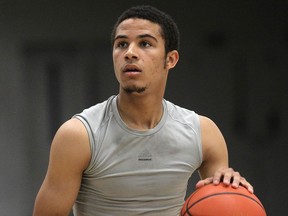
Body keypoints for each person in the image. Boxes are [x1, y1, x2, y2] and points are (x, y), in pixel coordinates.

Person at [33, 5, 253, 216]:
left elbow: (222, 203)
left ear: (171, 59)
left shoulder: (203, 133)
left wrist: (229, 184)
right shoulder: (78, 135)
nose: (130, 53)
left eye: (145, 43)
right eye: (121, 44)